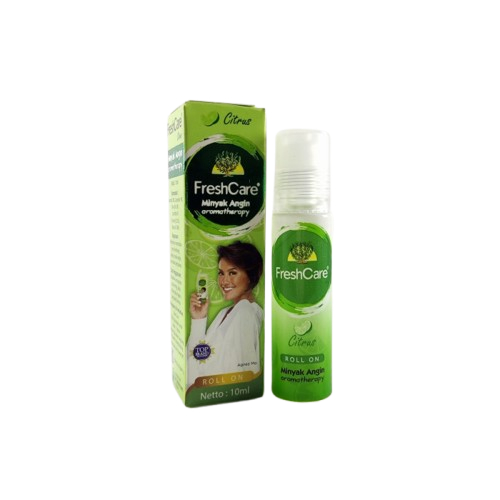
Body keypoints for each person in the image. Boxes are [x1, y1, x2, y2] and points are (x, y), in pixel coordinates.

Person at [187, 242, 263, 388]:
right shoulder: (225, 312)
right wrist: (199, 319)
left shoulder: (245, 312)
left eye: (232, 273)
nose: (224, 281)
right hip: (207, 392)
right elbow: (195, 362)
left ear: (250, 276)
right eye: (221, 273)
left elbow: (246, 373)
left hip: (222, 392)